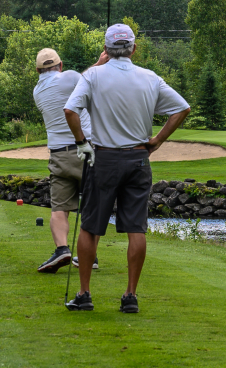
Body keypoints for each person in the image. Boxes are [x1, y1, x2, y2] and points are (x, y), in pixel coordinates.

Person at [62, 24, 190, 313]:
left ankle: (84, 294)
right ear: (134, 48)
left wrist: (81, 143)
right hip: (138, 160)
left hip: (103, 159)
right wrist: (157, 140)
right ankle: (130, 295)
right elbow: (182, 108)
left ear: (106, 50)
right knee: (136, 227)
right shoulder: (150, 77)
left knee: (91, 226)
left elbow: (70, 110)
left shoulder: (92, 75)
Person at [30, 46, 97, 273]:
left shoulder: (37, 91)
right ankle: (90, 256)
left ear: (38, 70)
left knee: (59, 208)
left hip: (58, 154)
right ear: (60, 65)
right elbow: (90, 79)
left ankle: (62, 249)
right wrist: (100, 61)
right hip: (85, 149)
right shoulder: (69, 76)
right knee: (91, 206)